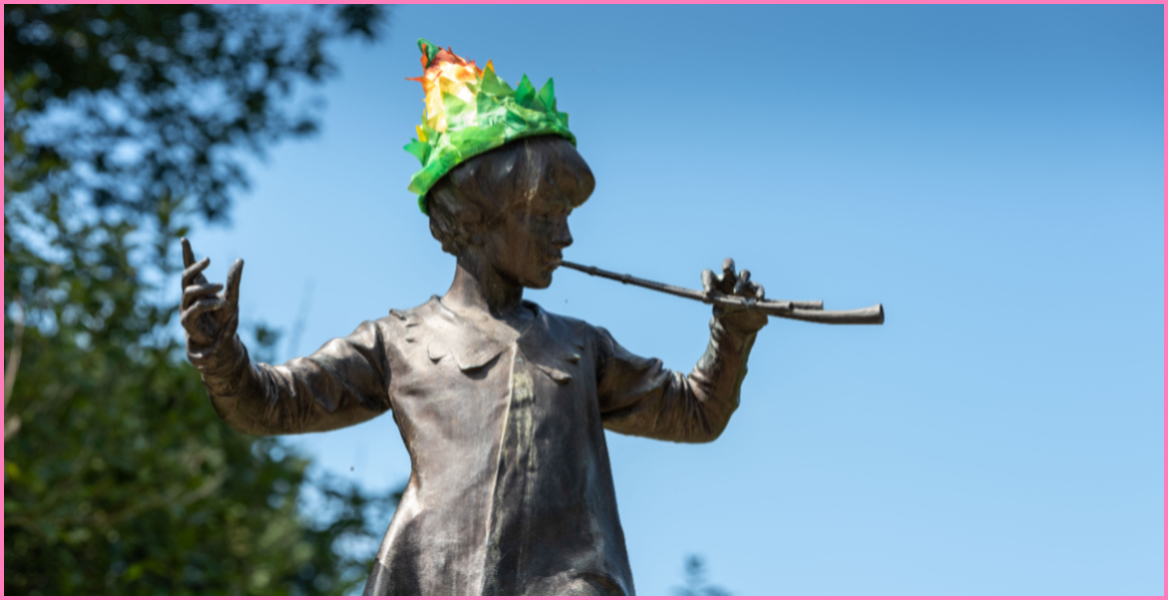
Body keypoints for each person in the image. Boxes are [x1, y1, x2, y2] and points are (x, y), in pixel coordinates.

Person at [180, 40, 769, 596]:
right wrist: (219, 353)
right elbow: (267, 405)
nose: (565, 235)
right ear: (476, 219)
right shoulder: (397, 343)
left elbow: (696, 414)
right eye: (545, 217)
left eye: (565, 216)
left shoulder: (582, 348)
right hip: (432, 577)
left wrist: (731, 334)